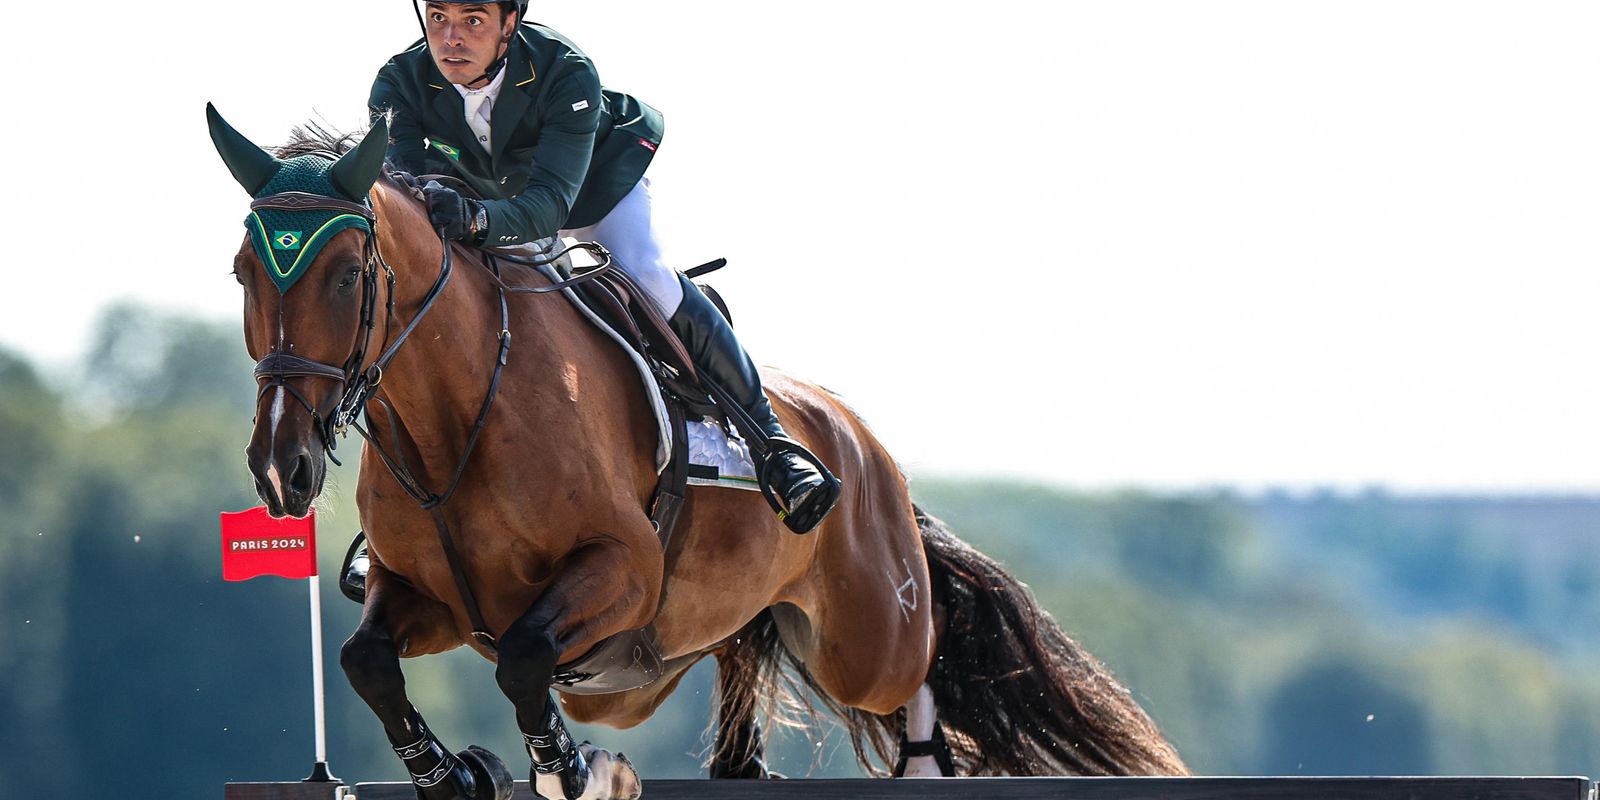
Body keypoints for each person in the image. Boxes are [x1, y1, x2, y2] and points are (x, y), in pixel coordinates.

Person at [341, 1, 839, 600]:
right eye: (439, 18)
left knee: (648, 274)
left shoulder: (563, 69)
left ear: (509, 24)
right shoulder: (399, 81)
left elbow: (550, 206)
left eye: (473, 20)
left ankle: (772, 445)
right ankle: (396, 517)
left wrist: (475, 216)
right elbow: (408, 196)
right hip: (486, 196)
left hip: (592, 186)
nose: (450, 39)